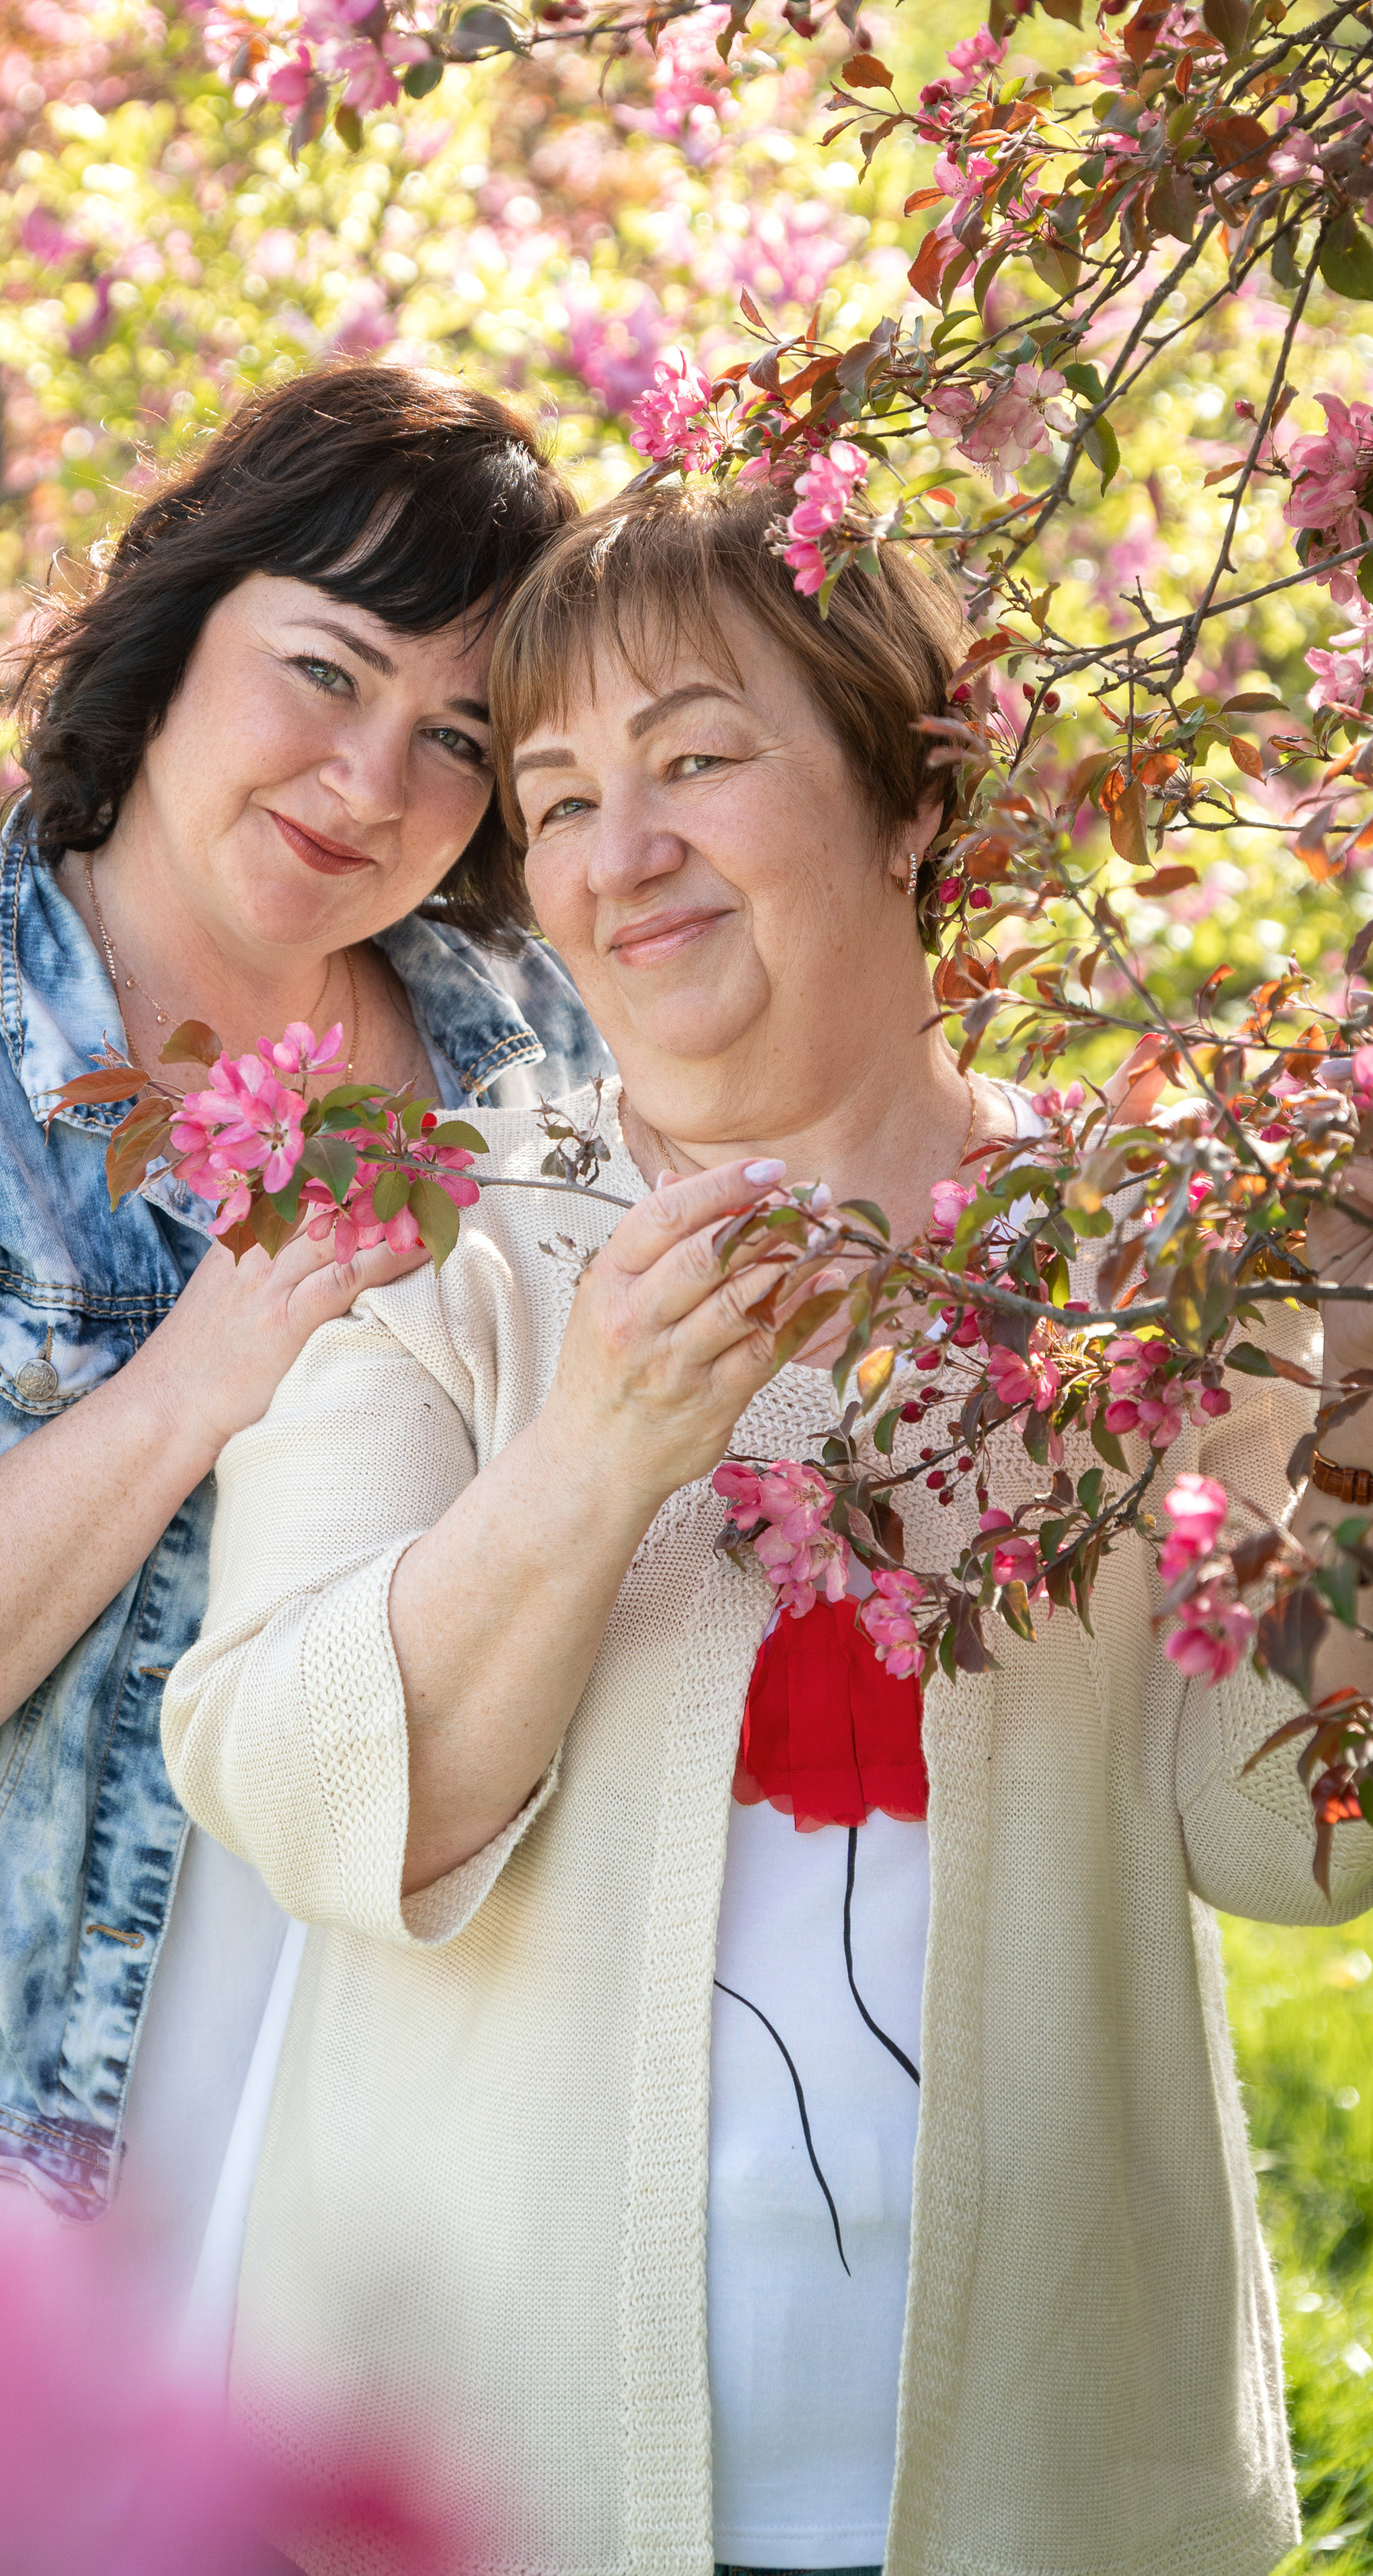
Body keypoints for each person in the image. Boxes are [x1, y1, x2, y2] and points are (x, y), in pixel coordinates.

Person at [163, 478, 1373, 2576]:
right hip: (482, 2497)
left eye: (699, 760)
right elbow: (296, 1780)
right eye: (556, 799)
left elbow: (1299, 1837)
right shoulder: (441, 1257)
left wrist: (1351, 1386)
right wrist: (595, 1452)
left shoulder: (1134, 1272)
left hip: (1051, 2493)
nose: (619, 858)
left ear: (907, 803)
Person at [0, 362, 610, 2403]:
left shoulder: (541, 1061)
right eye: (327, 672)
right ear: (174, 639)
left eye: (458, 737)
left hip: (409, 2136)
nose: (375, 783)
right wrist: (197, 1374)